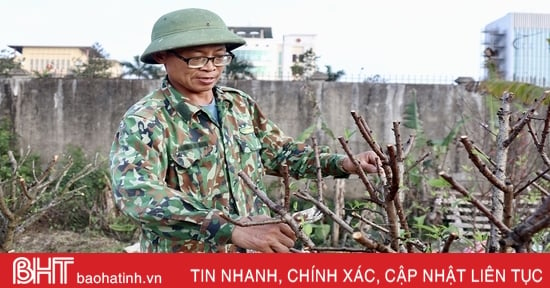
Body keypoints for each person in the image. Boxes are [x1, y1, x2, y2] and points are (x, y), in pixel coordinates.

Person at [109, 8, 381, 253]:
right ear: (162, 56)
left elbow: (280, 153)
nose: (210, 68)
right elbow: (138, 194)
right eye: (197, 60)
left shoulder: (238, 104)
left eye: (218, 58)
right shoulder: (147, 119)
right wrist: (231, 229)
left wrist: (343, 163)